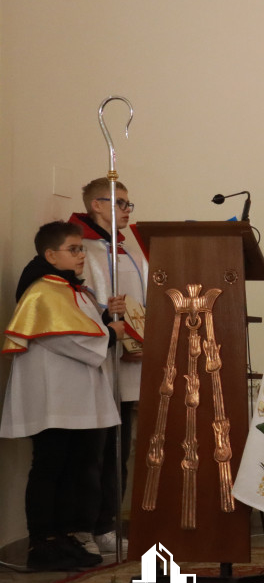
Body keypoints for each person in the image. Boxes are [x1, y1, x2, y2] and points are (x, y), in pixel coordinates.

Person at [1, 222, 126, 570]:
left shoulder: (72, 289)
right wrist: (110, 335)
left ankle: (67, 534)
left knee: (76, 468)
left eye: (82, 249)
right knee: (50, 467)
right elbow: (65, 338)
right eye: (74, 249)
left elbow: (81, 327)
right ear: (50, 255)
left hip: (76, 396)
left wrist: (103, 316)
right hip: (53, 398)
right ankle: (43, 541)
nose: (81, 255)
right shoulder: (44, 291)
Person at [68, 178, 148, 554]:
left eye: (129, 204)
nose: (127, 210)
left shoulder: (126, 249)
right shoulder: (84, 249)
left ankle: (110, 522)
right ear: (96, 205)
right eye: (120, 203)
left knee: (120, 449)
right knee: (96, 450)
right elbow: (85, 301)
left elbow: (141, 302)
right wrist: (118, 337)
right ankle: (88, 527)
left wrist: (141, 341)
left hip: (131, 360)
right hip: (101, 362)